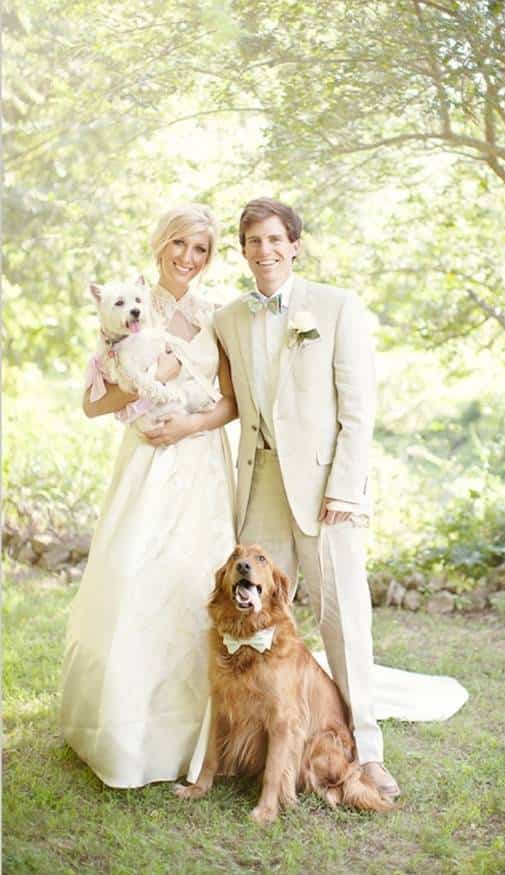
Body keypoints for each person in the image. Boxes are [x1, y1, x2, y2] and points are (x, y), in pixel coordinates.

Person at [212, 197, 401, 798]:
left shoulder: (336, 307)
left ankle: (367, 754)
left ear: (295, 244)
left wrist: (345, 488)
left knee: (342, 617)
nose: (264, 251)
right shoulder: (228, 320)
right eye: (252, 242)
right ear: (242, 251)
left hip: (326, 490)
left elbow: (358, 409)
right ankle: (258, 743)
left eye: (274, 240)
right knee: (254, 620)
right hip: (260, 484)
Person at [60, 204, 237, 788]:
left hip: (202, 461)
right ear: (161, 245)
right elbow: (93, 404)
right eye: (180, 245)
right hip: (146, 462)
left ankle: (198, 736)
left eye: (201, 250)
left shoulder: (217, 314)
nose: (189, 258)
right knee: (137, 580)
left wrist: (189, 426)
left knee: (194, 584)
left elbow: (230, 402)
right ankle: (127, 732)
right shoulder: (128, 305)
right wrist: (135, 380)